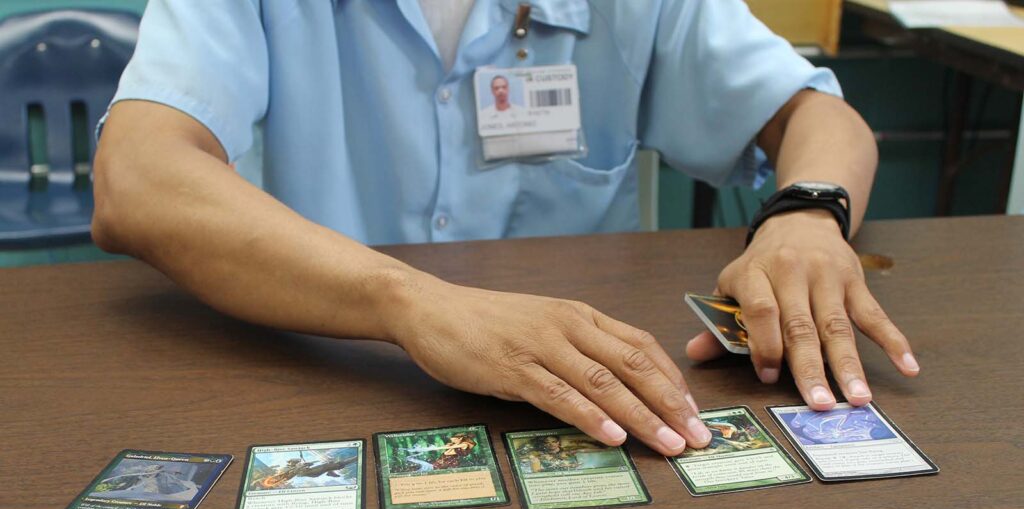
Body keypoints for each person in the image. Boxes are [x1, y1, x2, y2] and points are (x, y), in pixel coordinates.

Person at [92, 0, 918, 458]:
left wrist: (809, 214)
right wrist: (410, 302)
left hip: (591, 388)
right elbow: (136, 178)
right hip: (327, 376)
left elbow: (818, 116)